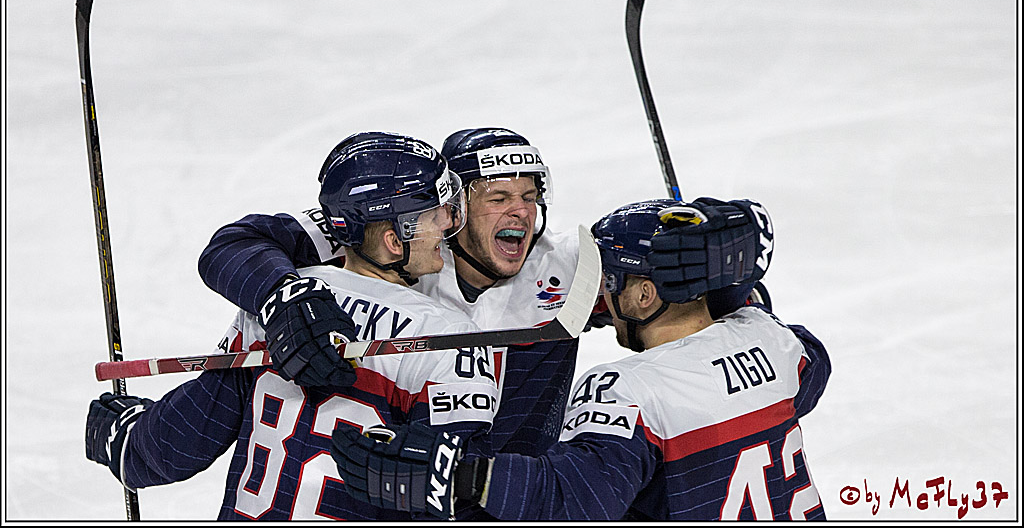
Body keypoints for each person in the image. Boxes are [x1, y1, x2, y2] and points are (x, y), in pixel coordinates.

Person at [195, 127, 760, 466]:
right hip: (398, 488)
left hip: (516, 496)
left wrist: (720, 289)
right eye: (498, 198)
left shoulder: (569, 264)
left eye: (529, 196)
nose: (521, 211)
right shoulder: (401, 237)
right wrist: (282, 296)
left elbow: (679, 289)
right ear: (453, 206)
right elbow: (238, 243)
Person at [331, 197, 831, 521]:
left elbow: (573, 500)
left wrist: (462, 476)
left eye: (611, 281)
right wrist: (733, 301)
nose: (603, 298)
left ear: (643, 296)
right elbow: (816, 365)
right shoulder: (775, 342)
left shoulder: (628, 391)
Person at [84, 132, 499, 520]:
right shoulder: (449, 341)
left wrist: (127, 439)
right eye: (436, 214)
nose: (448, 223)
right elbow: (462, 496)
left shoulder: (275, 308)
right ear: (395, 240)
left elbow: (172, 447)